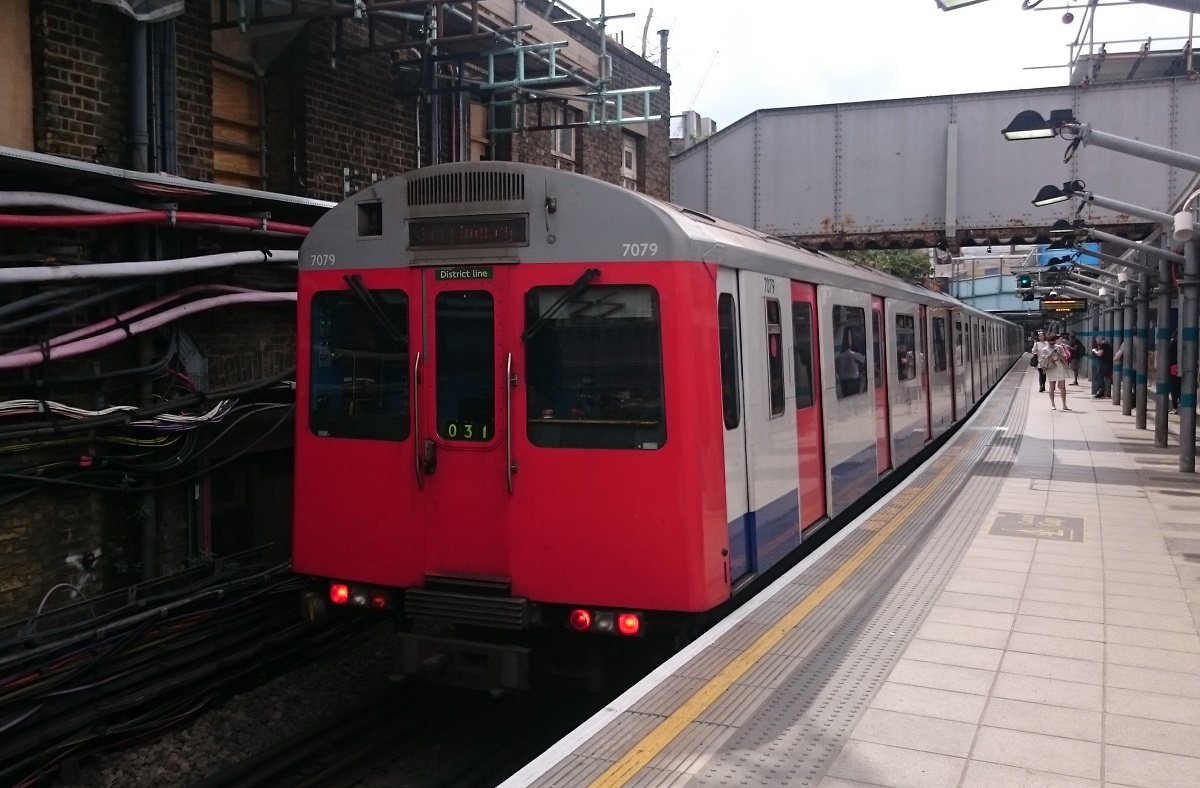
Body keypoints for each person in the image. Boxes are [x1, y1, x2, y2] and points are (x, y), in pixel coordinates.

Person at [1039, 332, 1070, 410]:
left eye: (1053, 341)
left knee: (1063, 387)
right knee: (1052, 386)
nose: (1052, 343)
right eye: (1050, 342)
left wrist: (1059, 354)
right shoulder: (1045, 349)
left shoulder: (1059, 347)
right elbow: (1042, 360)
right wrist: (1050, 355)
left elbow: (1065, 357)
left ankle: (1064, 405)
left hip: (1059, 366)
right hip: (1051, 368)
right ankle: (1053, 404)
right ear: (1048, 341)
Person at [835, 330, 866, 398]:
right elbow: (864, 360)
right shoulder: (853, 355)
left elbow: (836, 369)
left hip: (843, 381)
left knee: (846, 397)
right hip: (854, 380)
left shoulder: (838, 358)